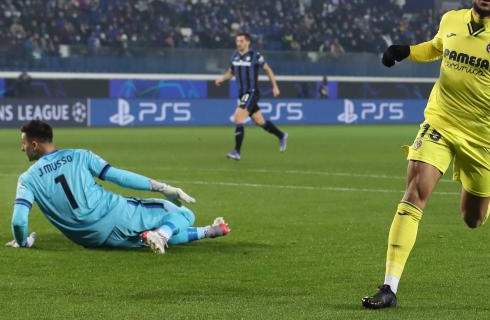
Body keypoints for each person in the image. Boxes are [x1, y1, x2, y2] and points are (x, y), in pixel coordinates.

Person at [361, 0, 490, 309]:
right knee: (414, 192)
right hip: (440, 121)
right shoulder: (451, 20)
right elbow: (435, 48)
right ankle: (389, 287)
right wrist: (404, 51)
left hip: (481, 135)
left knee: (473, 219)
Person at [6, 120, 230, 254]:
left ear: (35, 145)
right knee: (184, 213)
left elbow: (18, 220)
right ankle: (162, 234)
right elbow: (118, 177)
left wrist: (23, 241)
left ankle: (208, 231)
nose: (22, 148)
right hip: (115, 214)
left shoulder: (27, 179)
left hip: (91, 238)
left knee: (146, 237)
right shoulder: (80, 155)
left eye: (23, 143)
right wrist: (162, 187)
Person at [215, 32, 288, 160]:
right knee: (260, 121)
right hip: (242, 94)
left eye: (241, 41)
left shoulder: (255, 56)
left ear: (248, 42)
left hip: (251, 92)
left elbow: (268, 70)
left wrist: (275, 86)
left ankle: (237, 152)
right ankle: (281, 135)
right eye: (237, 41)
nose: (239, 43)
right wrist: (222, 79)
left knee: (238, 117)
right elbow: (231, 72)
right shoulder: (235, 56)